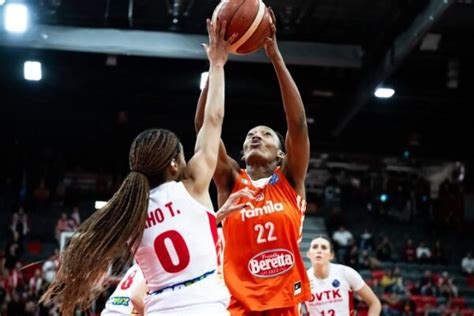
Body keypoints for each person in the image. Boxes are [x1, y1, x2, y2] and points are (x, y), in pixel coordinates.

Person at [40, 19, 244, 315]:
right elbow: (213, 120)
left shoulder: (129, 211)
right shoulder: (192, 185)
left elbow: (175, 230)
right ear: (174, 164)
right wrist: (218, 64)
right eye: (183, 155)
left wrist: (213, 218)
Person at [195, 8, 311, 315]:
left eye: (266, 135)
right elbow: (204, 129)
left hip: (285, 303)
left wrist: (276, 57)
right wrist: (215, 66)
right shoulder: (231, 180)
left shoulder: (291, 179)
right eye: (250, 136)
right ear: (243, 152)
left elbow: (297, 124)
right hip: (236, 305)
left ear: (282, 154)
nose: (256, 137)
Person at [304, 236, 381, 316]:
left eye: (324, 248)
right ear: (309, 254)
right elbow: (291, 306)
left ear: (331, 255)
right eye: (315, 247)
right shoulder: (301, 281)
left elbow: (374, 303)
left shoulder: (346, 272)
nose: (319, 251)